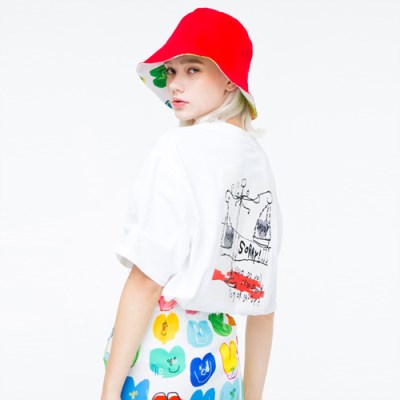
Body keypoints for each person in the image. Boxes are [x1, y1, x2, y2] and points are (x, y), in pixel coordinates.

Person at [100, 7, 283, 400]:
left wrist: (108, 392)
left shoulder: (177, 148)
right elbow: (262, 304)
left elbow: (147, 278)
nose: (175, 85)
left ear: (230, 81)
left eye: (193, 69)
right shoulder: (257, 162)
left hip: (162, 356)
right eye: (171, 71)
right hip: (222, 359)